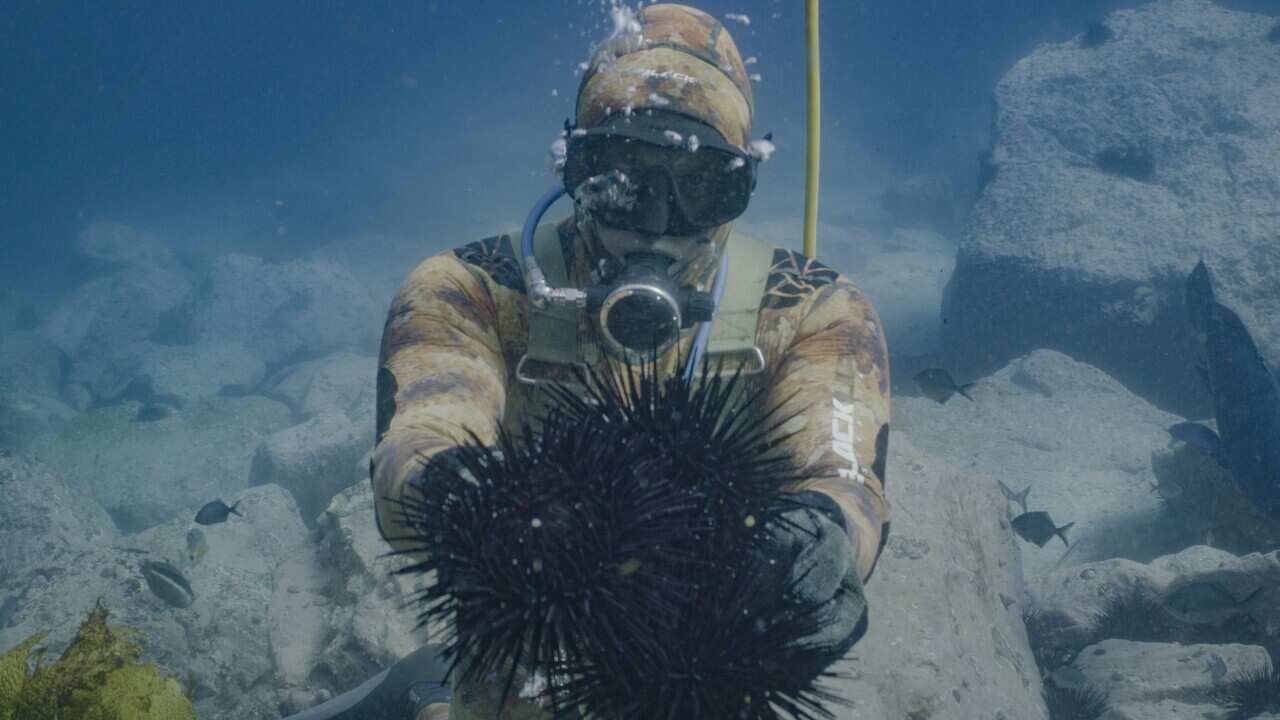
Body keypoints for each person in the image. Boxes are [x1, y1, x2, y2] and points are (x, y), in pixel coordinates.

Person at [369, 5, 891, 718]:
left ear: (740, 186)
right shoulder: (470, 292)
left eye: (699, 186)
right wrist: (467, 503)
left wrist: (820, 540)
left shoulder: (815, 310)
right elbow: (420, 437)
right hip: (523, 644)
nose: (653, 221)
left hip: (712, 667)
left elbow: (840, 478)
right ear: (575, 167)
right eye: (622, 177)